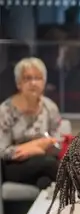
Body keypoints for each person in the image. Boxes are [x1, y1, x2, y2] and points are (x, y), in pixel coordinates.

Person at [0, 57, 60, 189]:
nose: (33, 83)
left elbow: (57, 143)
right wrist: (36, 146)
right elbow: (2, 150)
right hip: (13, 166)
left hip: (42, 161)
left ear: (44, 82)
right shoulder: (5, 110)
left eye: (38, 78)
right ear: (19, 84)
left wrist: (37, 150)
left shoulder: (50, 107)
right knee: (50, 165)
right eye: (27, 79)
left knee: (45, 181)